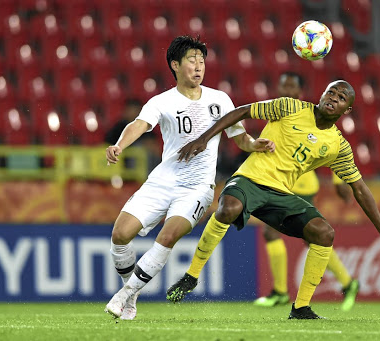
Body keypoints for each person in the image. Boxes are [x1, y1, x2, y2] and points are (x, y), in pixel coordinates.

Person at [166, 80, 380, 319]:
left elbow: (359, 188)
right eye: (331, 92)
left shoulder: (338, 146)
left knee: (324, 233)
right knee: (229, 208)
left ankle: (301, 307)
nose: (333, 98)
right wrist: (203, 139)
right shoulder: (289, 107)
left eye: (341, 97)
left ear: (346, 110)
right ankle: (192, 276)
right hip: (250, 178)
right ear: (321, 95)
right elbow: (242, 111)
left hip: (281, 194)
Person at [104, 35, 275, 320]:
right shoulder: (163, 101)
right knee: (120, 236)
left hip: (197, 188)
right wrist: (120, 145)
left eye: (202, 61)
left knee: (168, 235)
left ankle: (124, 297)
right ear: (175, 65)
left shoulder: (220, 100)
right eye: (191, 61)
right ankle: (131, 293)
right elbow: (139, 124)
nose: (199, 66)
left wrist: (254, 144)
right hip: (162, 180)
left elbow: (240, 137)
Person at [253, 72, 359, 312]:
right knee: (308, 239)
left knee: (276, 233)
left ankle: (281, 292)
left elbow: (330, 147)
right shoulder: (281, 109)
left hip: (300, 185)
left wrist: (338, 180)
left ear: (300, 92)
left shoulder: (309, 113)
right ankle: (348, 282)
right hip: (279, 181)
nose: (286, 90)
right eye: (283, 85)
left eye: (291, 86)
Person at [104, 98, 161, 173]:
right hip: (124, 161)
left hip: (146, 161)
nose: (133, 113)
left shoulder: (145, 125)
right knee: (139, 148)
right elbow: (109, 144)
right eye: (131, 110)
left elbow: (152, 142)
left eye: (136, 110)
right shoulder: (120, 127)